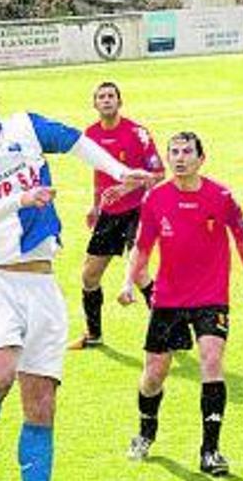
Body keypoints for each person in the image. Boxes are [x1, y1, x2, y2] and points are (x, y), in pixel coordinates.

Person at [0, 80, 152, 481]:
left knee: (41, 403)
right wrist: (21, 199)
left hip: (42, 282)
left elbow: (74, 141)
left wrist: (121, 172)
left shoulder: (24, 128)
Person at [119, 131, 243, 477]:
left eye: (186, 152)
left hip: (211, 297)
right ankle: (146, 429)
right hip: (168, 299)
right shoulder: (156, 199)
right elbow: (142, 246)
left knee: (211, 361)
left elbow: (241, 236)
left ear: (201, 158)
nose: (179, 158)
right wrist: (128, 282)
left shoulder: (221, 196)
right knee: (154, 375)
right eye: (174, 152)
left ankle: (210, 451)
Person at [68, 81, 165, 350]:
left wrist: (126, 187)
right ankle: (94, 334)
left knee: (139, 271)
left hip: (138, 210)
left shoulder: (138, 133)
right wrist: (95, 205)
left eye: (111, 96)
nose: (107, 100)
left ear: (119, 102)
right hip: (109, 213)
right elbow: (97, 172)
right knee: (89, 276)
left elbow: (159, 174)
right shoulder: (90, 135)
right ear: (95, 104)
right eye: (102, 97)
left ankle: (168, 331)